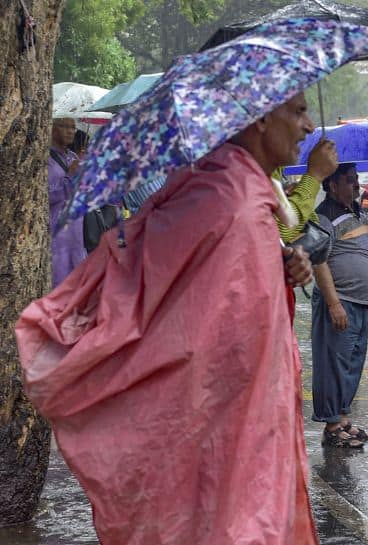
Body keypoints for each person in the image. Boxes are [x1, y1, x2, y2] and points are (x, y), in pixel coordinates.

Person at [17, 93, 317, 545]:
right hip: (222, 417)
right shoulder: (227, 198)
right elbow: (185, 310)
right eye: (296, 112)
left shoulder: (238, 195)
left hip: (246, 415)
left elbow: (234, 297)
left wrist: (282, 266)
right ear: (259, 119)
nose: (308, 126)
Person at [311, 163, 368, 448]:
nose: (356, 185)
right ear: (332, 185)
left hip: (363, 303)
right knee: (333, 364)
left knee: (352, 364)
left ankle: (342, 418)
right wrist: (333, 303)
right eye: (350, 180)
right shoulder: (323, 216)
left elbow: (361, 248)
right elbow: (318, 260)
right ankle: (331, 426)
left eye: (357, 179)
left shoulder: (359, 211)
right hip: (341, 301)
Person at [48, 117, 87, 287]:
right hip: (56, 237)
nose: (71, 131)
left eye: (73, 127)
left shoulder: (72, 157)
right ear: (51, 128)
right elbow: (46, 196)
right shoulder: (45, 159)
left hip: (76, 235)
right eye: (65, 127)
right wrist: (70, 177)